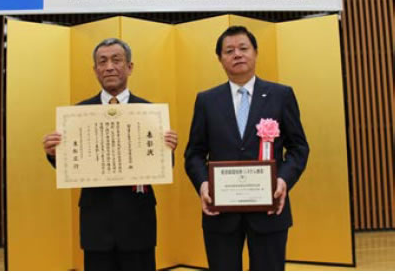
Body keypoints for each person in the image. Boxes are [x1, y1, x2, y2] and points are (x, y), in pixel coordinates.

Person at [43, 38, 178, 271]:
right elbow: (71, 165)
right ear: (95, 70)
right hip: (96, 220)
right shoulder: (77, 114)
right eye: (102, 61)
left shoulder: (150, 113)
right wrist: (54, 153)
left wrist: (168, 150)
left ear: (129, 67)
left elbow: (163, 167)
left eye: (117, 60)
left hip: (138, 219)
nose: (109, 67)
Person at [184, 26, 309, 271]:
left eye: (243, 48)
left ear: (255, 52)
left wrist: (283, 180)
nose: (237, 54)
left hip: (270, 211)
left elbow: (298, 148)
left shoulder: (281, 95)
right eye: (229, 51)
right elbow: (194, 154)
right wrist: (203, 184)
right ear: (220, 59)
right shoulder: (206, 100)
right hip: (220, 213)